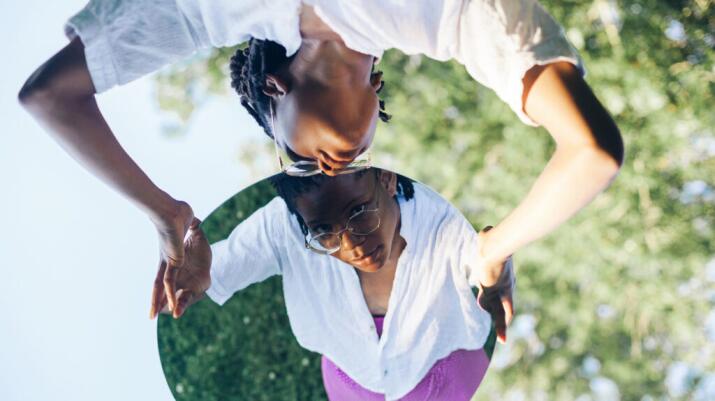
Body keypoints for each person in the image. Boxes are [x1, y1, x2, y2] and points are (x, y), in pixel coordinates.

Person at [18, 0, 623, 318]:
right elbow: (591, 151)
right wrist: (491, 250)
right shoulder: (455, 17)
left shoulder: (207, 10)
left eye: (298, 162)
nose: (330, 171)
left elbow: (52, 97)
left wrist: (170, 221)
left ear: (272, 90)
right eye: (337, 223)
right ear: (377, 93)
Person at [158, 168, 515, 401]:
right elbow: (227, 263)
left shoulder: (439, 220)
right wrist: (193, 275)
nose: (353, 244)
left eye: (360, 212)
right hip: (350, 385)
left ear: (387, 180)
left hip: (448, 379)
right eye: (325, 231)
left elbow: (482, 255)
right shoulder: (284, 226)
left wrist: (496, 263)